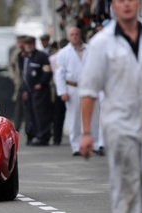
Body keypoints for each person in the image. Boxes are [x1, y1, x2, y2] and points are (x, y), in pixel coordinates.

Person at [79, 0, 142, 212]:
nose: (126, 5)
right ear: (113, 6)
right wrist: (87, 133)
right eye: (121, 1)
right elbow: (89, 91)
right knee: (127, 184)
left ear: (139, 4)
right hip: (119, 124)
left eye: (131, 0)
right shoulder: (101, 43)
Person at [55, 27, 103, 156]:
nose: (75, 36)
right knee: (74, 117)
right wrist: (62, 91)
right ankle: (76, 146)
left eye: (77, 34)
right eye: (72, 34)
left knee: (94, 116)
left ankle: (96, 144)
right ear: (68, 37)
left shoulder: (91, 49)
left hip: (90, 86)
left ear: (80, 35)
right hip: (72, 87)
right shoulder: (63, 53)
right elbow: (59, 74)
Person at [21, 36, 53, 146]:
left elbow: (47, 71)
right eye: (27, 44)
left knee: (41, 114)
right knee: (31, 115)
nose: (29, 46)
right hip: (29, 91)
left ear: (34, 44)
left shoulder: (41, 56)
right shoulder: (26, 57)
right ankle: (34, 135)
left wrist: (42, 83)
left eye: (31, 44)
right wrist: (24, 90)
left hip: (40, 91)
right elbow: (24, 75)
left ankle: (43, 136)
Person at [48, 39, 68, 146]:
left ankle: (57, 137)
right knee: (59, 113)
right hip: (62, 86)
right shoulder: (55, 57)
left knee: (58, 114)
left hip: (57, 86)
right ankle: (56, 137)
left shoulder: (53, 57)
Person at [8, 35, 26, 132]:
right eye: (18, 42)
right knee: (19, 105)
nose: (20, 45)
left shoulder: (28, 53)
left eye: (21, 42)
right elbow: (11, 67)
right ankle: (17, 127)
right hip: (19, 83)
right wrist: (14, 78)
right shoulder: (16, 54)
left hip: (28, 83)